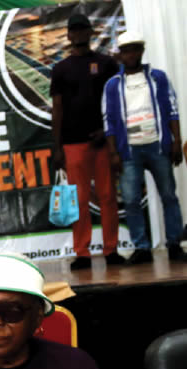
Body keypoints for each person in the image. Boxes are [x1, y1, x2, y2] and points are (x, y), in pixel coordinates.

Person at [103, 31, 187, 264]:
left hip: (157, 145)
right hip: (129, 150)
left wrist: (176, 141)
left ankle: (174, 244)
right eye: (126, 51)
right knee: (131, 200)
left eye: (135, 49)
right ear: (120, 55)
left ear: (141, 51)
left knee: (169, 195)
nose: (131, 54)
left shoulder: (158, 77)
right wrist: (113, 152)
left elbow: (172, 109)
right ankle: (141, 248)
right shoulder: (112, 85)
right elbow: (109, 121)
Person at [51, 14, 124, 269]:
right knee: (79, 200)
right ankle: (82, 253)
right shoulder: (61, 69)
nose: (79, 34)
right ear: (69, 35)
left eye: (83, 29)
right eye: (75, 30)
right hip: (73, 143)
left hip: (103, 140)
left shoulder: (106, 64)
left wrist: (108, 131)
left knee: (108, 196)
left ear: (91, 32)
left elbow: (117, 102)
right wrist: (57, 147)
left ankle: (111, 249)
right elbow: (57, 109)